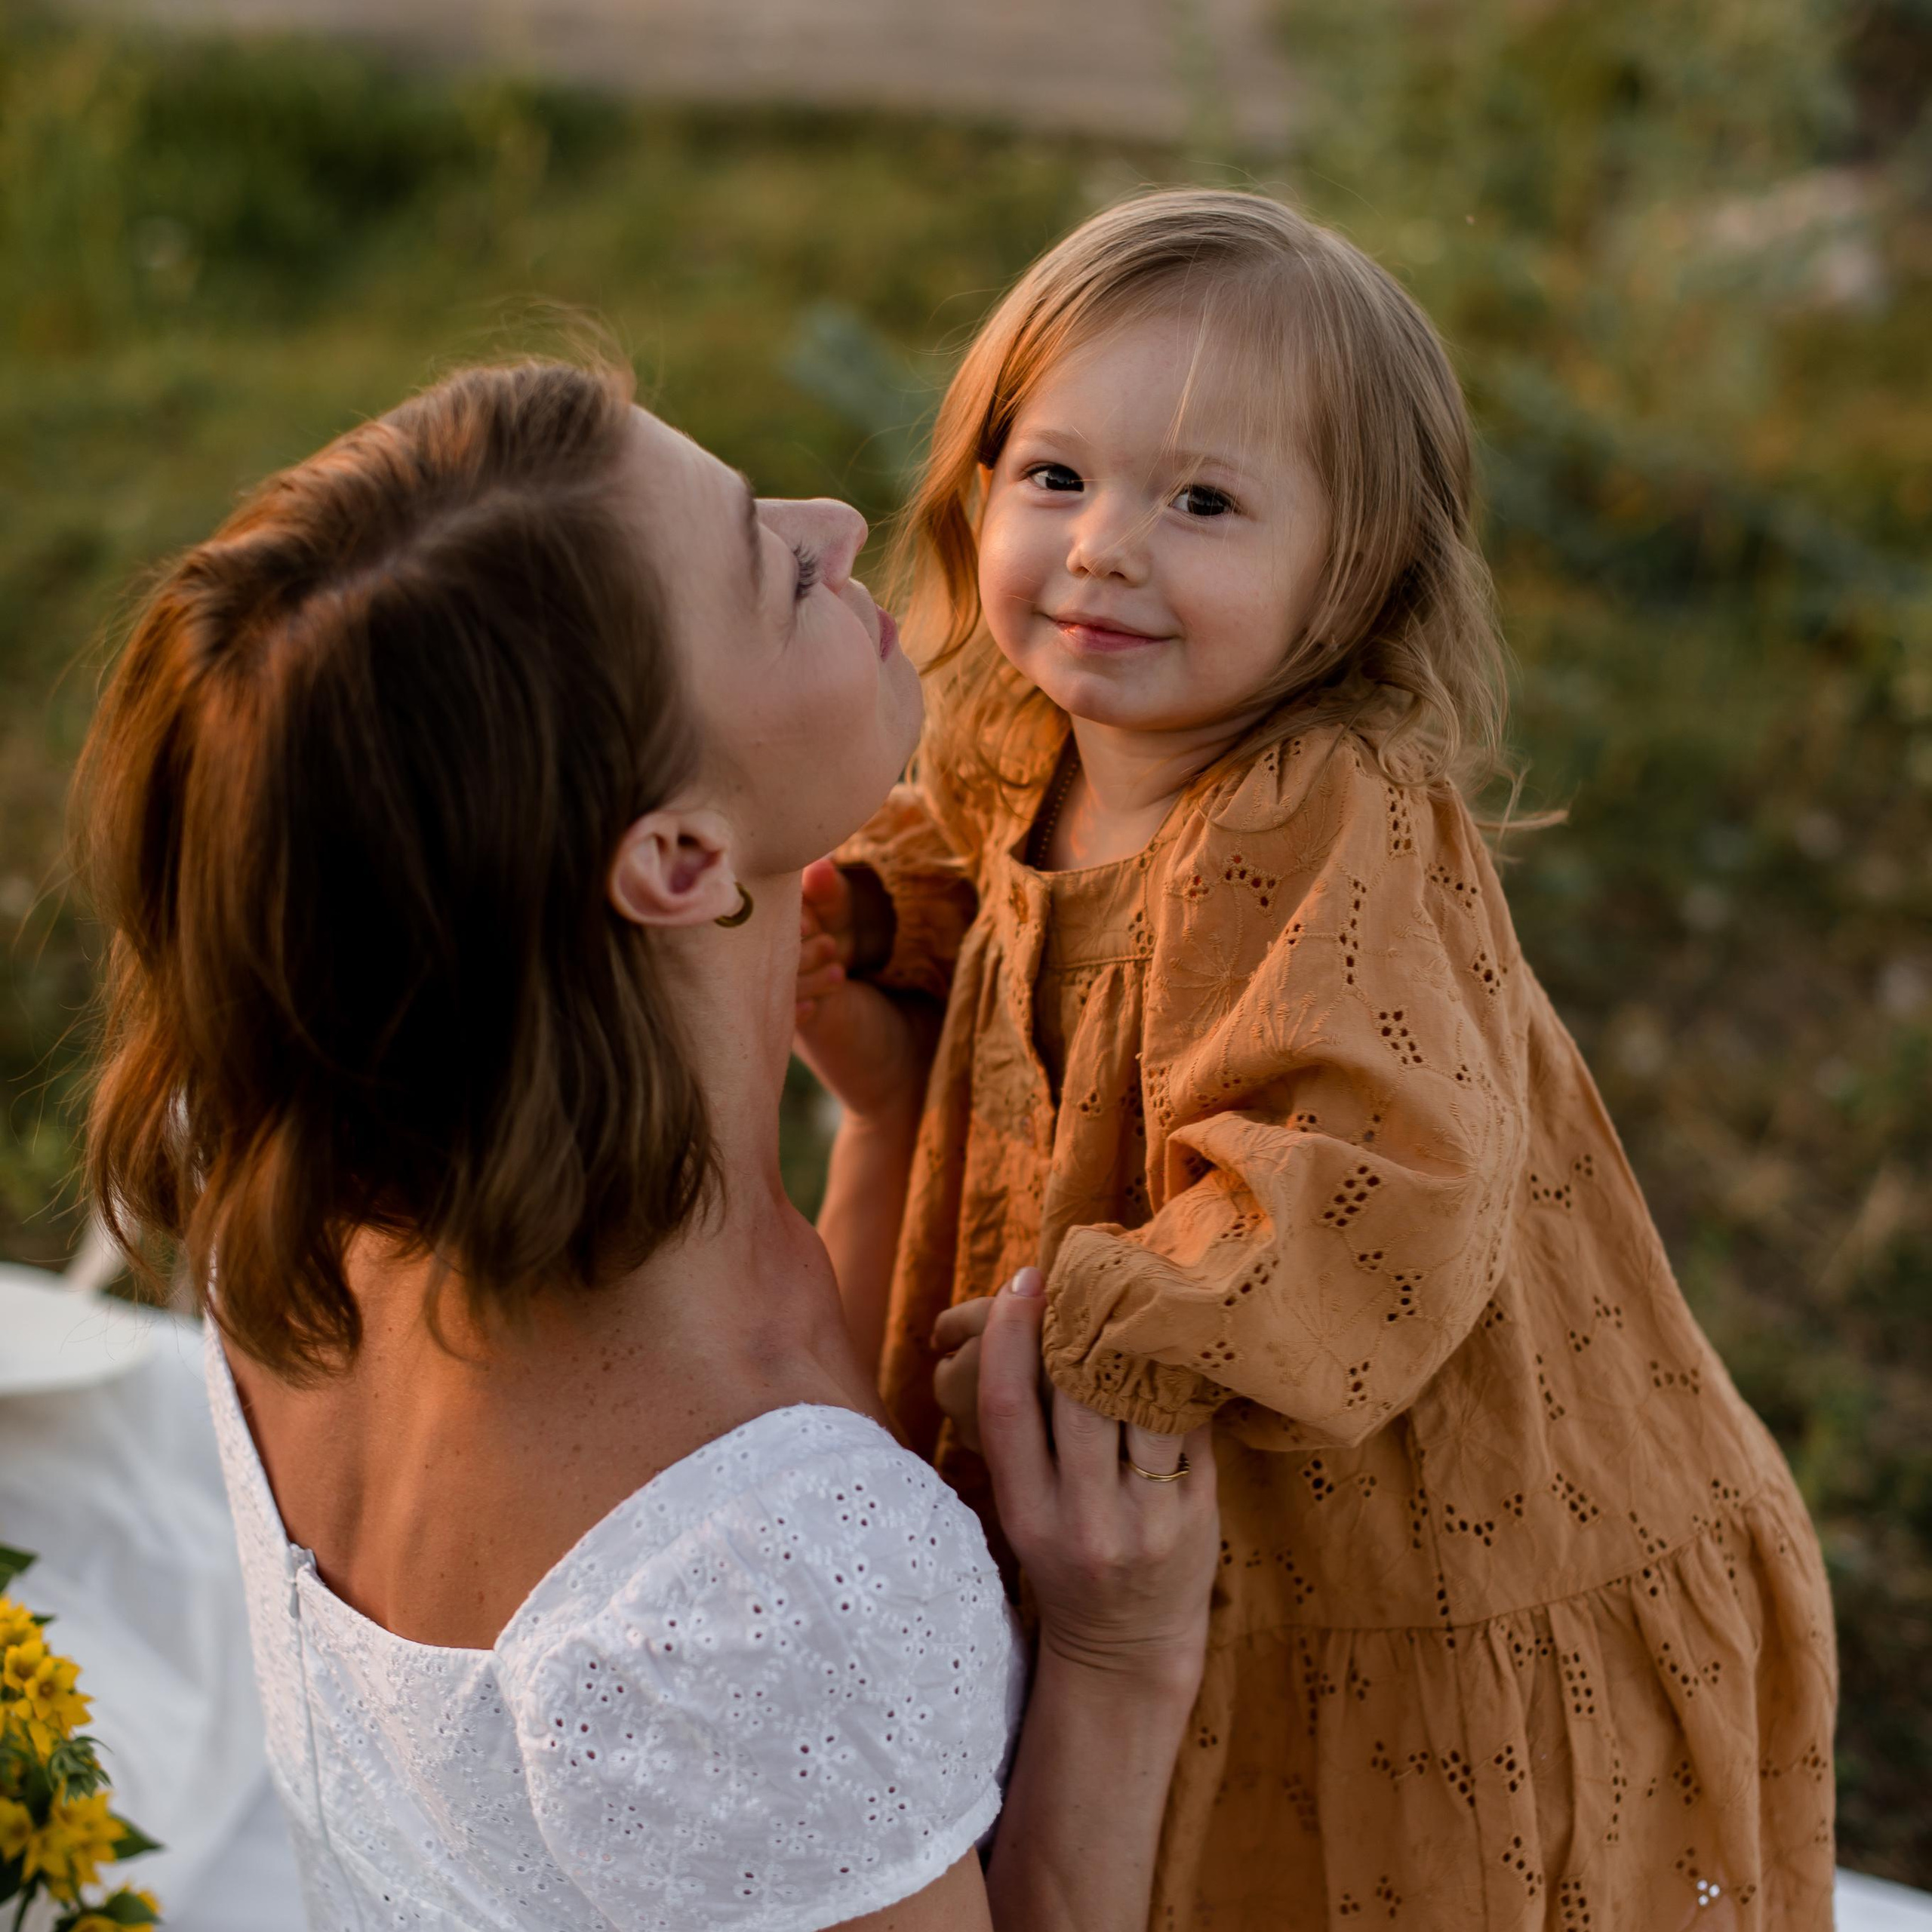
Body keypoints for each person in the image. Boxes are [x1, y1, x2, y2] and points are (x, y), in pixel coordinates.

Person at [794, 189, 1839, 1930]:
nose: (1104, 547)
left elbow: (1372, 1186)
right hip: (1177, 1499)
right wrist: (881, 925)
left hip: (1389, 1523)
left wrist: (1105, 1318)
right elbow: (966, 864)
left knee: (1345, 1848)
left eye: (1200, 501)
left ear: (1355, 573)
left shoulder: (1314, 809)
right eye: (1053, 477)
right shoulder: (1032, 738)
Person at [72, 359, 1219, 1930]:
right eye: (779, 569)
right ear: (676, 858)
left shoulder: (312, 1175)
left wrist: (878, 1132)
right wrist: (1121, 1646)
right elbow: (758, 1570)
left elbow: (779, 1429)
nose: (842, 521)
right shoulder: (748, 1595)